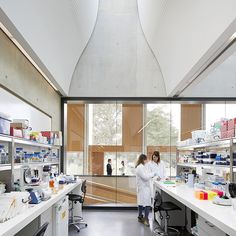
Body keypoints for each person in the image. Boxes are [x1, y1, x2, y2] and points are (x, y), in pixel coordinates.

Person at [135, 154, 155, 227]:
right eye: (146, 159)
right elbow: (145, 177)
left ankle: (140, 217)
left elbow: (146, 174)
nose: (147, 161)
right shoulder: (140, 167)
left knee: (141, 203)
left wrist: (151, 174)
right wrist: (153, 174)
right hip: (144, 189)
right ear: (143, 160)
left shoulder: (142, 167)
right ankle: (146, 219)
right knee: (147, 204)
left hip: (143, 188)